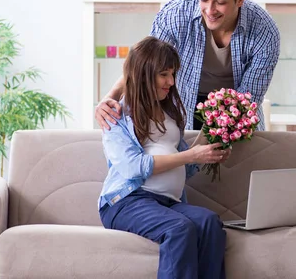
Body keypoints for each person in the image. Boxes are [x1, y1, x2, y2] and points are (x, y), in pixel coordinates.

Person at [95, 0, 280, 131]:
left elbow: (248, 98)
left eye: (220, 2)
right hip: (182, 107)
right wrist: (110, 97)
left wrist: (219, 136)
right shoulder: (176, 14)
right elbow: (145, 65)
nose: (209, 10)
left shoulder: (264, 30)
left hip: (235, 114)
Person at [98, 36, 230, 279]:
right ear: (145, 74)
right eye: (164, 75)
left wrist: (209, 146)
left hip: (168, 201)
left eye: (172, 74)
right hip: (127, 201)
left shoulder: (170, 112)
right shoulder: (116, 114)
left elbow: (185, 165)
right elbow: (133, 168)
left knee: (210, 222)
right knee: (179, 228)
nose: (170, 82)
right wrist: (191, 154)